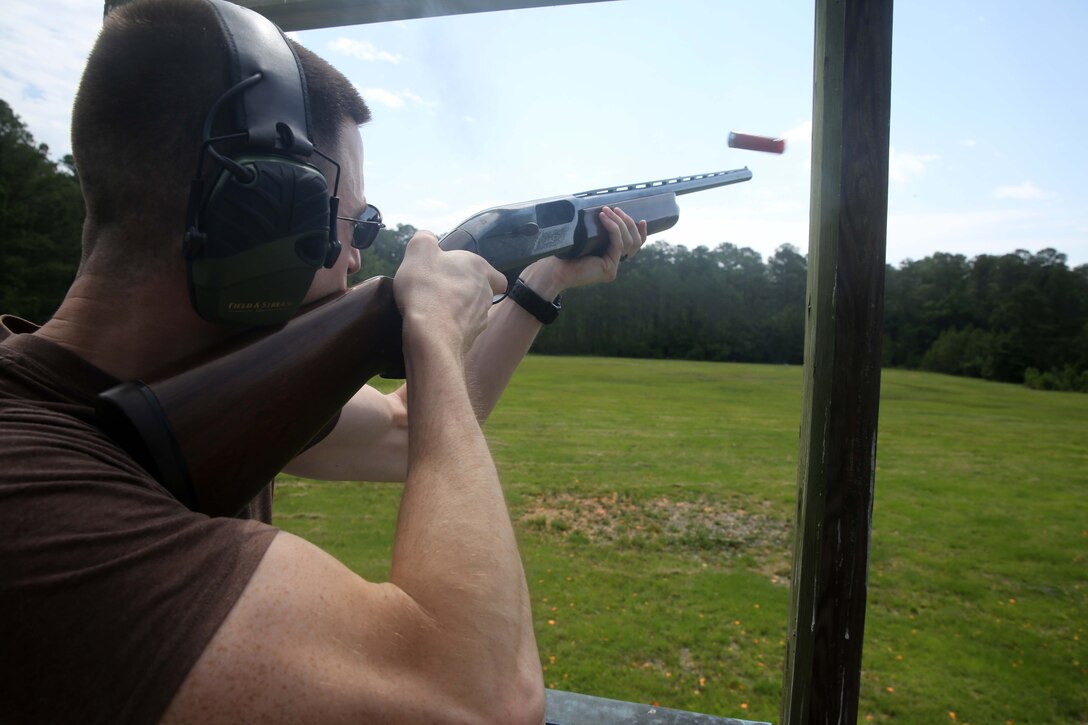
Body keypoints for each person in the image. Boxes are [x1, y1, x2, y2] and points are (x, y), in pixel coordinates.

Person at [0, 0, 647, 722]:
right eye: (352, 223)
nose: (358, 258)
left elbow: (407, 429)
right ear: (261, 214)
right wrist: (429, 331)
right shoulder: (28, 497)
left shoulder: (200, 384)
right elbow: (480, 700)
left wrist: (543, 283)